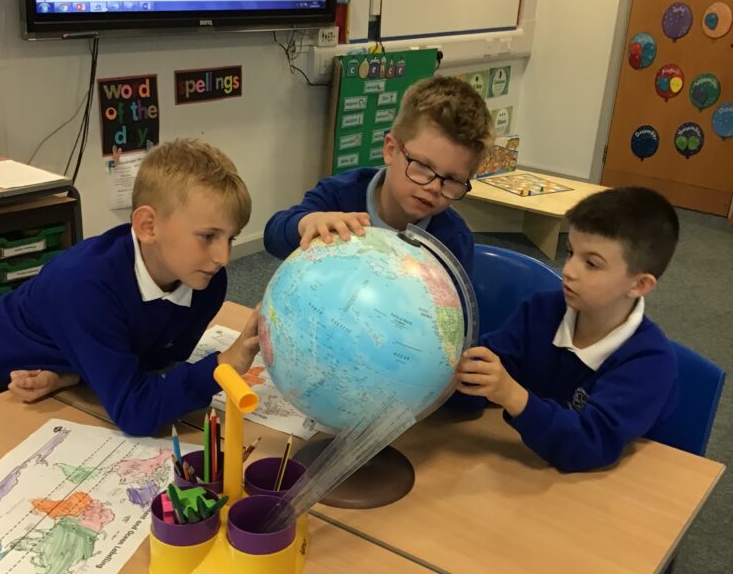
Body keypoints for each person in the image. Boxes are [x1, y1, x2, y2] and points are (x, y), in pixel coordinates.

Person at [0, 139, 259, 436]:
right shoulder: (84, 286)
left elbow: (156, 362)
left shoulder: (208, 280)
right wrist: (223, 366)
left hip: (85, 358)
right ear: (148, 226)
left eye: (230, 238)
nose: (223, 257)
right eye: (207, 236)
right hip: (12, 355)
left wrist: (80, 376)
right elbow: (135, 412)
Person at [455, 187, 680, 472]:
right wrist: (457, 377)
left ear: (639, 285)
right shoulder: (540, 311)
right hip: (530, 470)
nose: (569, 270)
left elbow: (590, 443)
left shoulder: (649, 362)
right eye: (571, 252)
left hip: (607, 489)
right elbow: (479, 385)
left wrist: (511, 395)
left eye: (591, 264)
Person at [263, 75, 495, 277]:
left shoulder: (453, 240)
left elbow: (456, 307)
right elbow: (274, 237)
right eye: (423, 166)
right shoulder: (339, 195)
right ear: (391, 150)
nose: (434, 188)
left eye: (452, 180)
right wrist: (306, 223)